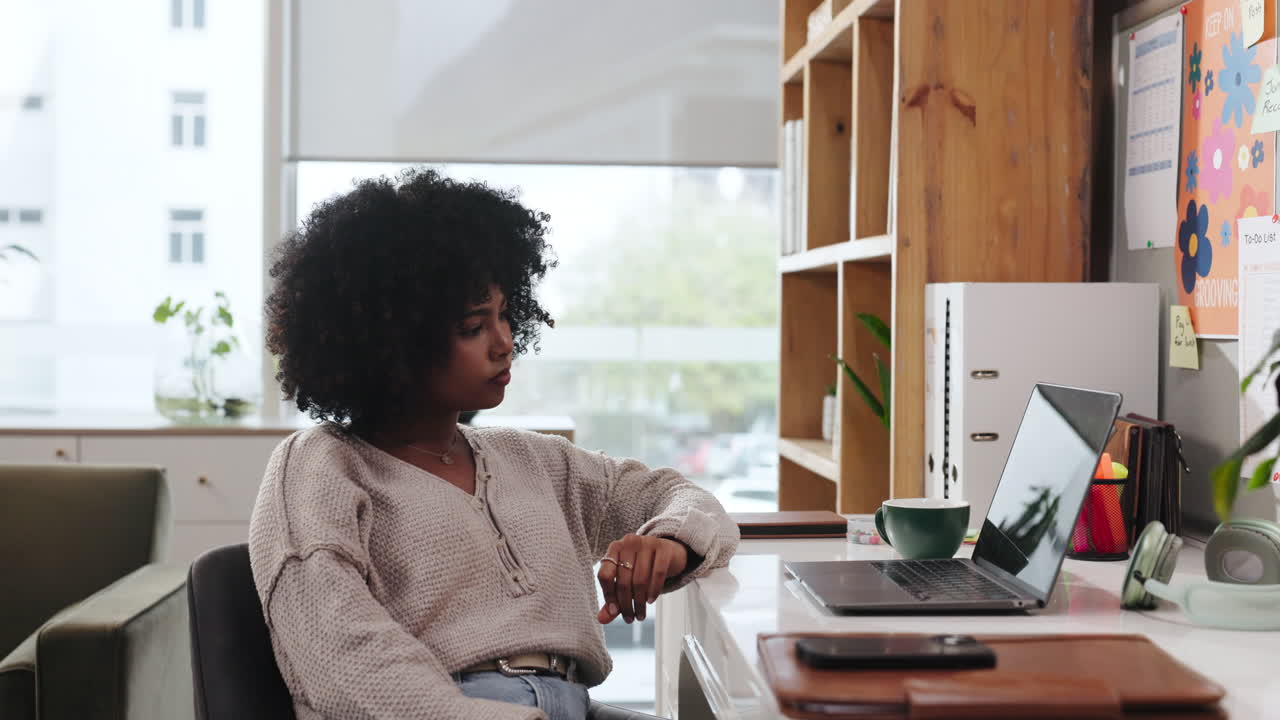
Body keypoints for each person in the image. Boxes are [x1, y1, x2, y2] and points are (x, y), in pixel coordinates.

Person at [249, 168, 741, 720]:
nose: (505, 342)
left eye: (505, 314)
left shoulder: (536, 459)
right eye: (472, 326)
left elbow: (686, 498)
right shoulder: (320, 464)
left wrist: (672, 541)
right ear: (393, 341)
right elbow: (342, 656)